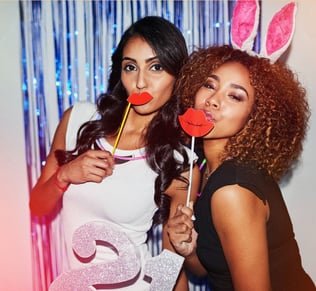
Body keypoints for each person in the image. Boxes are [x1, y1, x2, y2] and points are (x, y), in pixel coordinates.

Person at [29, 16, 200, 290]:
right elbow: (37, 205)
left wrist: (184, 246)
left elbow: (170, 265)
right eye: (130, 67)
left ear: (177, 77)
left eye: (156, 67)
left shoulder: (179, 161)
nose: (141, 82)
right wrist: (66, 174)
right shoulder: (79, 120)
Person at [167, 45, 316, 291]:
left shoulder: (232, 190)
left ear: (254, 116)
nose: (213, 100)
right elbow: (209, 268)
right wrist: (190, 250)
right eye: (209, 85)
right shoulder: (205, 168)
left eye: (234, 96)